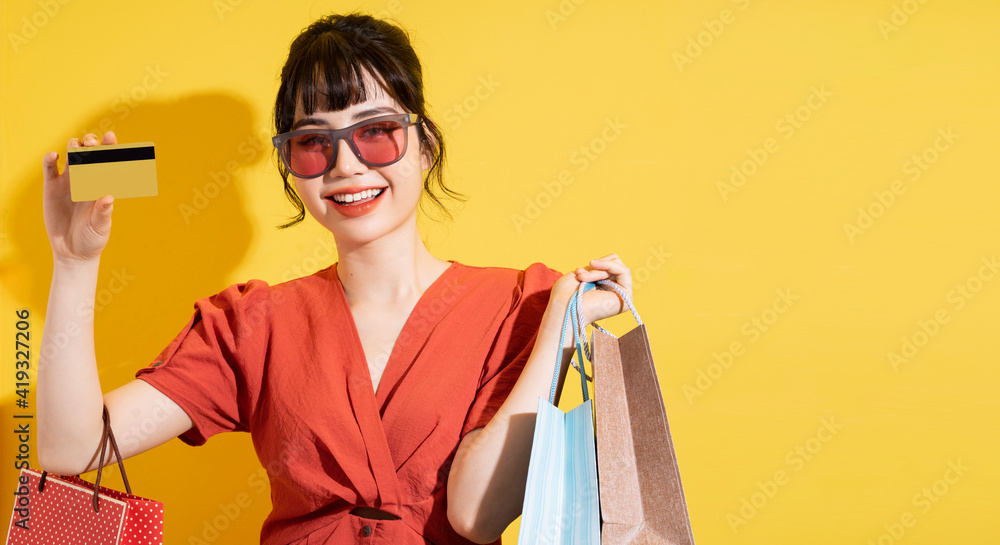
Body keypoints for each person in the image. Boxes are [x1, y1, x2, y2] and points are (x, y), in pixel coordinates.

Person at [38, 13, 632, 545]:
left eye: (376, 131)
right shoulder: (254, 324)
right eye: (314, 143)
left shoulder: (520, 306)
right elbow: (71, 448)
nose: (347, 165)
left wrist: (562, 322)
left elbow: (477, 514)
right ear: (292, 169)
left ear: (424, 146)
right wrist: (74, 263)